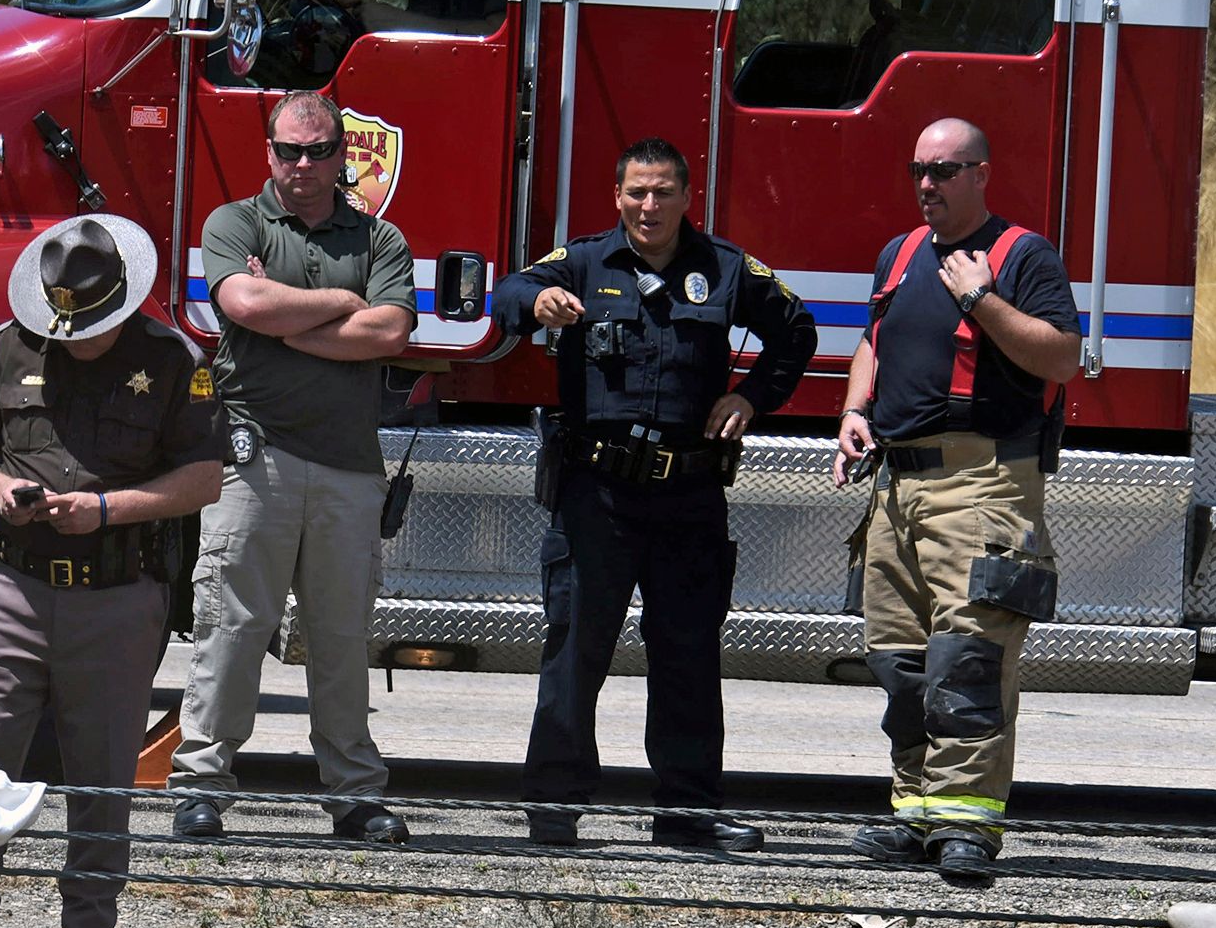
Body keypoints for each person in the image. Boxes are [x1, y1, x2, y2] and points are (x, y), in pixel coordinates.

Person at [0, 216, 223, 928]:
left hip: (117, 597)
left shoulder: (170, 362)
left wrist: (105, 508)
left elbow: (202, 478)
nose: (74, 338)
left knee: (99, 784)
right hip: (16, 589)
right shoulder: (10, 345)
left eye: (89, 324)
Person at [492, 138, 818, 852]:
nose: (649, 205)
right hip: (596, 495)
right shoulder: (581, 261)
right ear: (616, 196)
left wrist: (751, 396)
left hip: (690, 495)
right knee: (577, 648)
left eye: (663, 192)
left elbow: (796, 332)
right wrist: (538, 300)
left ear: (685, 197)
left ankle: (689, 812)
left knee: (688, 652)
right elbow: (506, 294)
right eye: (637, 191)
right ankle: (554, 804)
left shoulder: (728, 270)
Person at [831, 118, 1080, 886]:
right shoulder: (900, 254)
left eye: (944, 170)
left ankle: (966, 825)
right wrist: (854, 410)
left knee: (967, 664)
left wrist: (981, 300)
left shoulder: (1022, 257)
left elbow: (1063, 357)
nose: (928, 185)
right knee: (902, 664)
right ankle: (915, 817)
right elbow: (874, 338)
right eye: (918, 171)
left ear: (982, 174)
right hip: (896, 490)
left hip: (982, 487)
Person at [174, 90, 418, 845]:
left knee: (340, 634)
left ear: (344, 153)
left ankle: (354, 795)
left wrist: (294, 318)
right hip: (255, 456)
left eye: (319, 150)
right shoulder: (233, 222)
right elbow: (243, 302)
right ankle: (201, 786)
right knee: (231, 623)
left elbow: (389, 330)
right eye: (290, 150)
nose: (304, 164)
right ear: (268, 153)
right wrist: (339, 302)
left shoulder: (381, 239)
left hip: (349, 465)